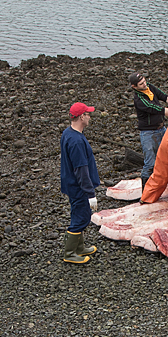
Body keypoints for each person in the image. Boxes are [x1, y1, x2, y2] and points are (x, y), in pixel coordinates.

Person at [60, 102, 100, 264]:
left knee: (79, 214)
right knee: (81, 218)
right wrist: (90, 194)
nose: (90, 117)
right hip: (78, 187)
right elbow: (81, 169)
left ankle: (79, 247)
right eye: (88, 114)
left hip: (71, 184)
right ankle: (69, 253)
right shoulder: (76, 141)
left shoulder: (68, 133)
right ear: (81, 116)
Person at [129, 72, 168, 189]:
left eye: (144, 81)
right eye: (141, 84)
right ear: (134, 87)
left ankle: (164, 185)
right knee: (150, 163)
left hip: (161, 129)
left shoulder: (150, 88)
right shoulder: (139, 100)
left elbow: (164, 96)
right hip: (148, 133)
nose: (144, 84)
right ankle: (145, 191)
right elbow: (159, 109)